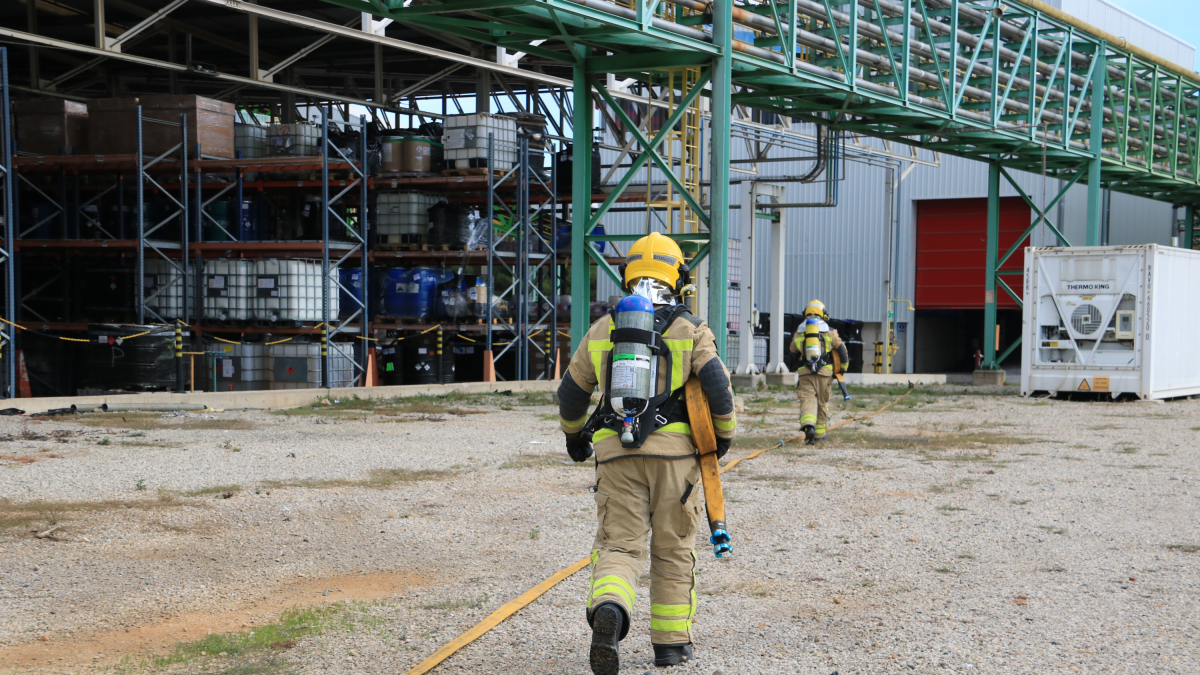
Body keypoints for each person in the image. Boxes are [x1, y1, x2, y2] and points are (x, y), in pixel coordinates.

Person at [556, 232, 737, 674]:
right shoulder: (690, 329)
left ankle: (611, 610)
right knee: (674, 548)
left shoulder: (603, 328)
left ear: (628, 273)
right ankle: (670, 647)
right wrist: (723, 439)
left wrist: (575, 437)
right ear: (677, 276)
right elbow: (718, 388)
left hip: (616, 454)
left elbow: (571, 394)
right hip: (676, 459)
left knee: (620, 544)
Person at [789, 299, 850, 444]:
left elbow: (792, 351)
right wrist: (843, 368)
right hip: (825, 373)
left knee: (807, 400)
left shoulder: (799, 331)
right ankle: (820, 436)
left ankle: (808, 426)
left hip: (805, 373)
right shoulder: (828, 331)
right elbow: (842, 350)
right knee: (822, 403)